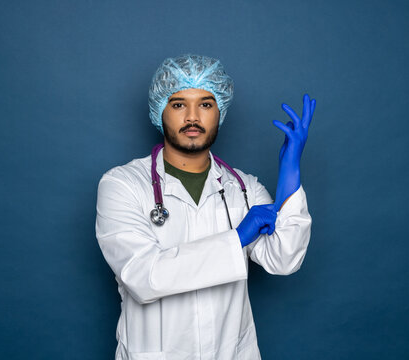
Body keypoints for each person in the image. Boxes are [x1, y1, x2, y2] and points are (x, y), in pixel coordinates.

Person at [95, 54, 315, 360]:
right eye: (178, 104)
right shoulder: (123, 185)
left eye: (206, 104)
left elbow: (284, 259)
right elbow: (143, 277)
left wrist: (289, 176)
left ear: (220, 111)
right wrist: (236, 239)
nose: (192, 116)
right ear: (161, 110)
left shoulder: (243, 187)